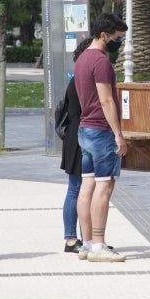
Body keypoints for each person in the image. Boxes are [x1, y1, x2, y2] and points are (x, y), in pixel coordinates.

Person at [74, 13, 128, 263]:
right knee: (104, 187)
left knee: (87, 185)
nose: (120, 42)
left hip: (85, 129)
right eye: (118, 38)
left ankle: (86, 243)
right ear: (104, 35)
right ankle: (98, 245)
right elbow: (106, 100)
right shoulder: (101, 62)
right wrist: (118, 134)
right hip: (101, 131)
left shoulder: (83, 58)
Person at [61, 36, 92, 253]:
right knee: (76, 188)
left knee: (82, 188)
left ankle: (85, 237)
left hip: (77, 134)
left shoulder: (79, 78)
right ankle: (71, 238)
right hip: (78, 135)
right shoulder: (81, 80)